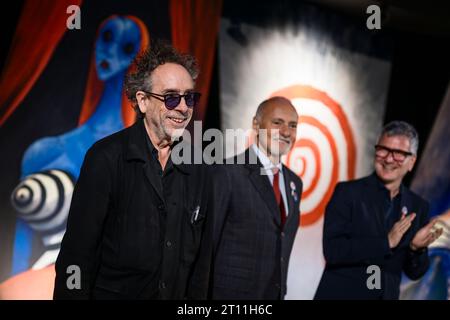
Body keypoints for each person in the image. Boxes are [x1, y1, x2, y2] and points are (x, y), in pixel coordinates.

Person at [54, 40, 210, 299]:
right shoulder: (106, 158)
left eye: (189, 97)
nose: (183, 107)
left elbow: (200, 267)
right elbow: (77, 256)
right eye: (171, 98)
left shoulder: (199, 167)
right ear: (143, 101)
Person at [314, 121, 444, 300]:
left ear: (411, 161)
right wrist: (385, 242)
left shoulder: (418, 206)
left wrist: (416, 249)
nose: (389, 159)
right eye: (383, 150)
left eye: (398, 153)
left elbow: (415, 273)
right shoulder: (348, 193)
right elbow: (333, 250)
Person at [211, 97, 303, 300]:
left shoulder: (294, 183)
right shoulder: (228, 173)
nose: (286, 132)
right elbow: (206, 245)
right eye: (277, 122)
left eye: (292, 125)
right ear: (256, 124)